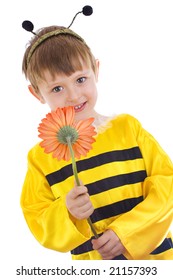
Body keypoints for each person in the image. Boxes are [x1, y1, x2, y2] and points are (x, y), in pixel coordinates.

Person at [20, 22, 173, 260]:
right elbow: (37, 217)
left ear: (96, 70)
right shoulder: (40, 158)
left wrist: (126, 232)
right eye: (57, 88)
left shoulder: (128, 129)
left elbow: (168, 186)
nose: (73, 95)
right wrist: (68, 212)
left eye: (80, 79)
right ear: (37, 93)